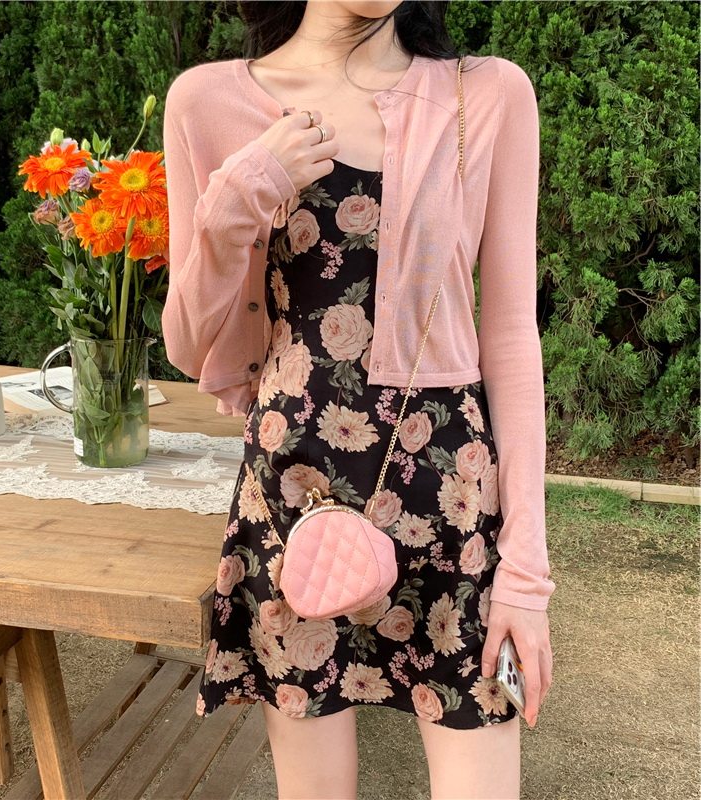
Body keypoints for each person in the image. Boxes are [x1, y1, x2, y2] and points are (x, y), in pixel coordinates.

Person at [161, 1, 556, 797]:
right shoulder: (208, 102)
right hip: (295, 501)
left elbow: (512, 337)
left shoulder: (487, 96)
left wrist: (526, 574)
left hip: (453, 506)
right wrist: (240, 199)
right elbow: (188, 344)